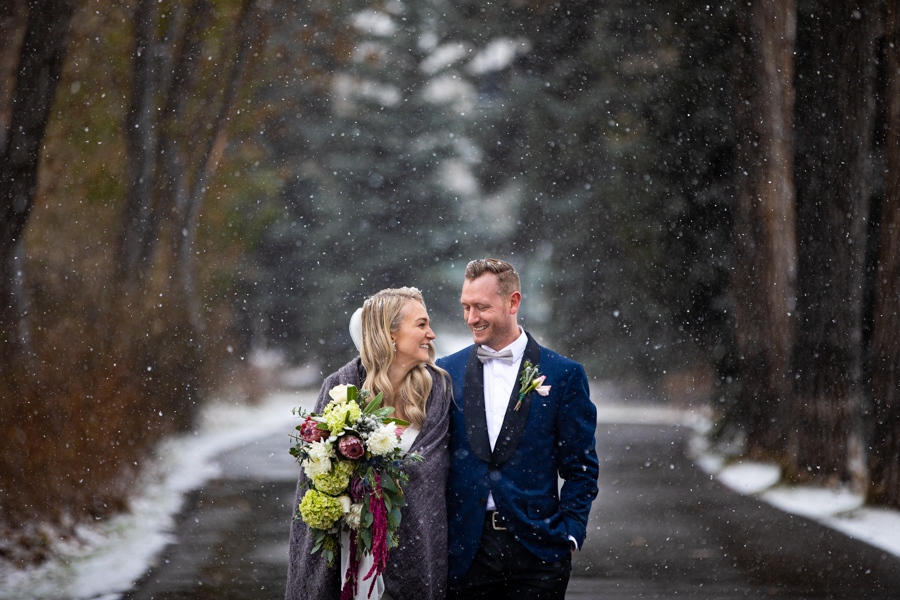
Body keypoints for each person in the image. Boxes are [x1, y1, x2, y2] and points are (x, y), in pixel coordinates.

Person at [436, 259, 599, 600]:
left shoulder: (563, 375)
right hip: (467, 551)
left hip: (539, 552)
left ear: (513, 302)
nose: (471, 318)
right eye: (465, 307)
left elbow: (581, 468)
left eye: (482, 307)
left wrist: (569, 533)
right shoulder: (445, 373)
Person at [285, 287, 452, 600]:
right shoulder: (339, 386)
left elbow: (431, 471)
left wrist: (372, 481)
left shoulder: (436, 390)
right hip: (351, 547)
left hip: (414, 542)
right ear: (390, 333)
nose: (430, 333)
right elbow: (314, 473)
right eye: (420, 324)